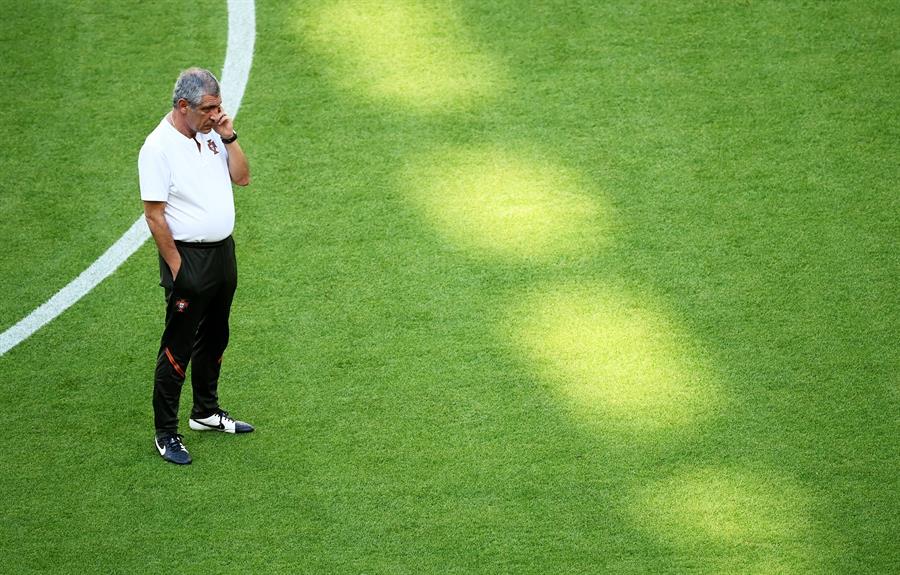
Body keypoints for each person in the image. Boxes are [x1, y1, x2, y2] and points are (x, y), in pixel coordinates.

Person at [138, 67, 253, 465]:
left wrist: (229, 136)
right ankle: (166, 432)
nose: (216, 114)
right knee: (178, 347)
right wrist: (178, 268)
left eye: (218, 107)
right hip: (188, 258)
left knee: (216, 335)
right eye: (208, 108)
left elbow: (242, 178)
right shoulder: (157, 148)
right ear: (183, 105)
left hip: (222, 254)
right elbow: (154, 215)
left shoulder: (213, 134)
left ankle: (205, 411)